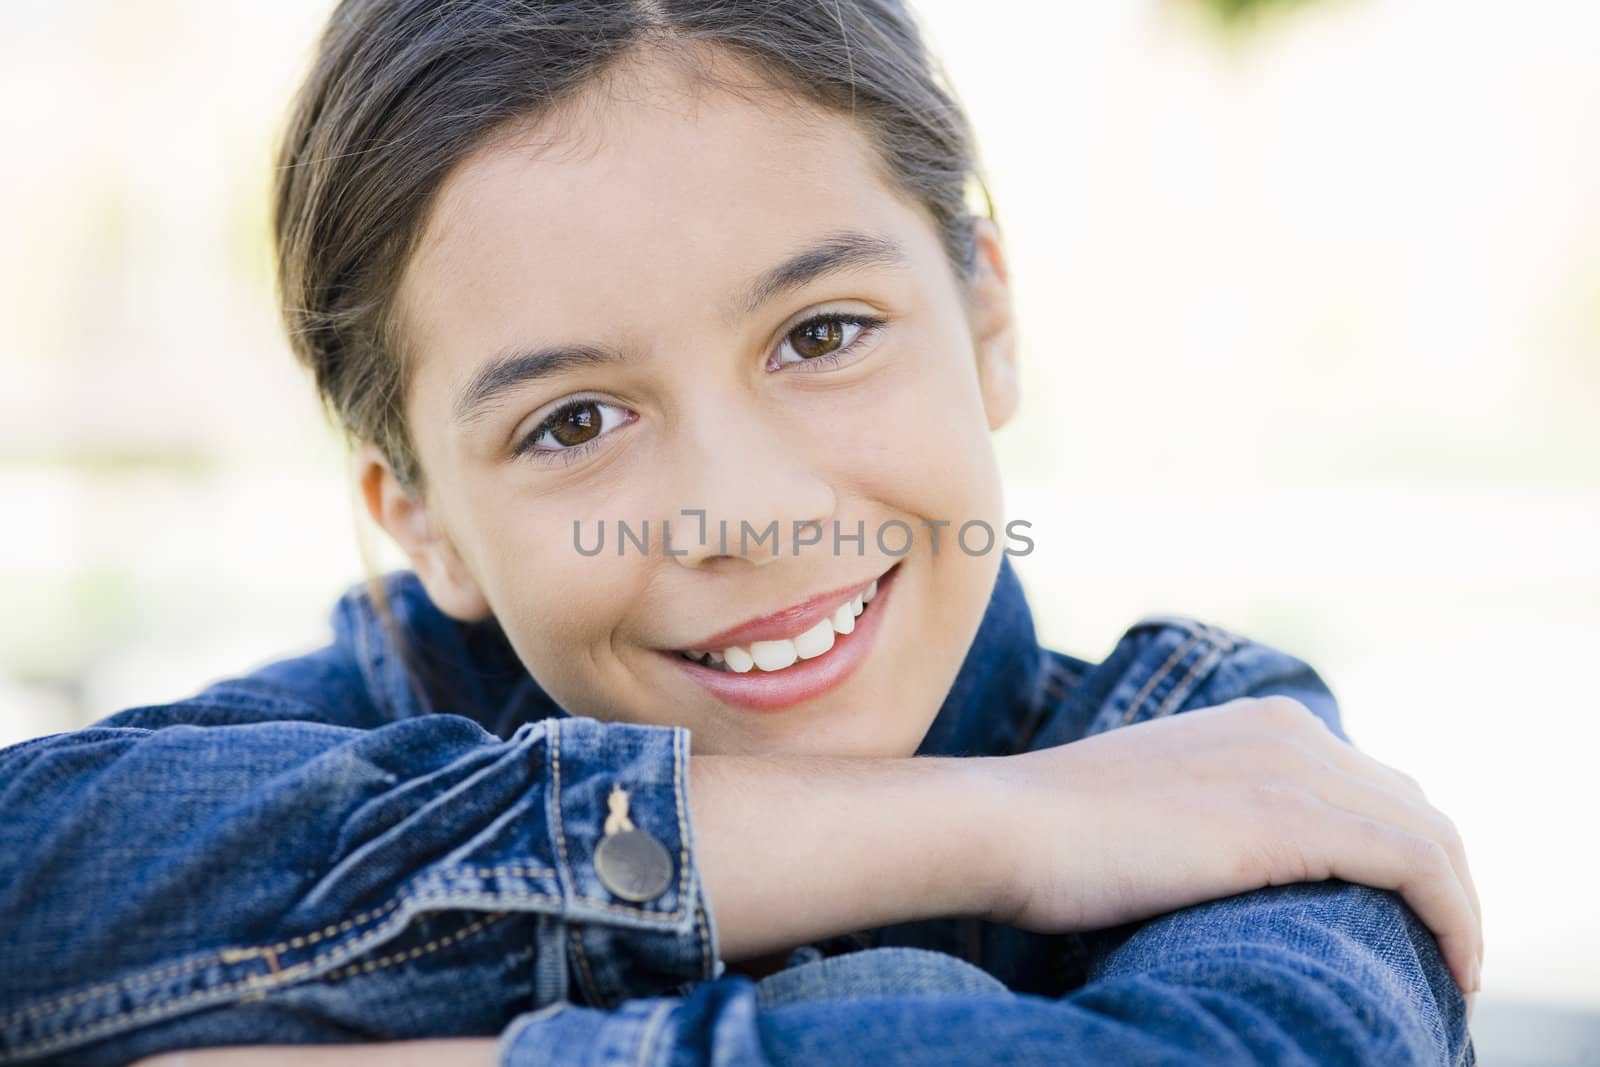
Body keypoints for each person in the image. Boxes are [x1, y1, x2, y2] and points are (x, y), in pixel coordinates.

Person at [0, 1, 1481, 1064]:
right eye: (572, 423)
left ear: (988, 318)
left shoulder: (1220, 749)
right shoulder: (372, 727)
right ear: (426, 523)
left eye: (823, 332)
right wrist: (1005, 828)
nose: (753, 517)